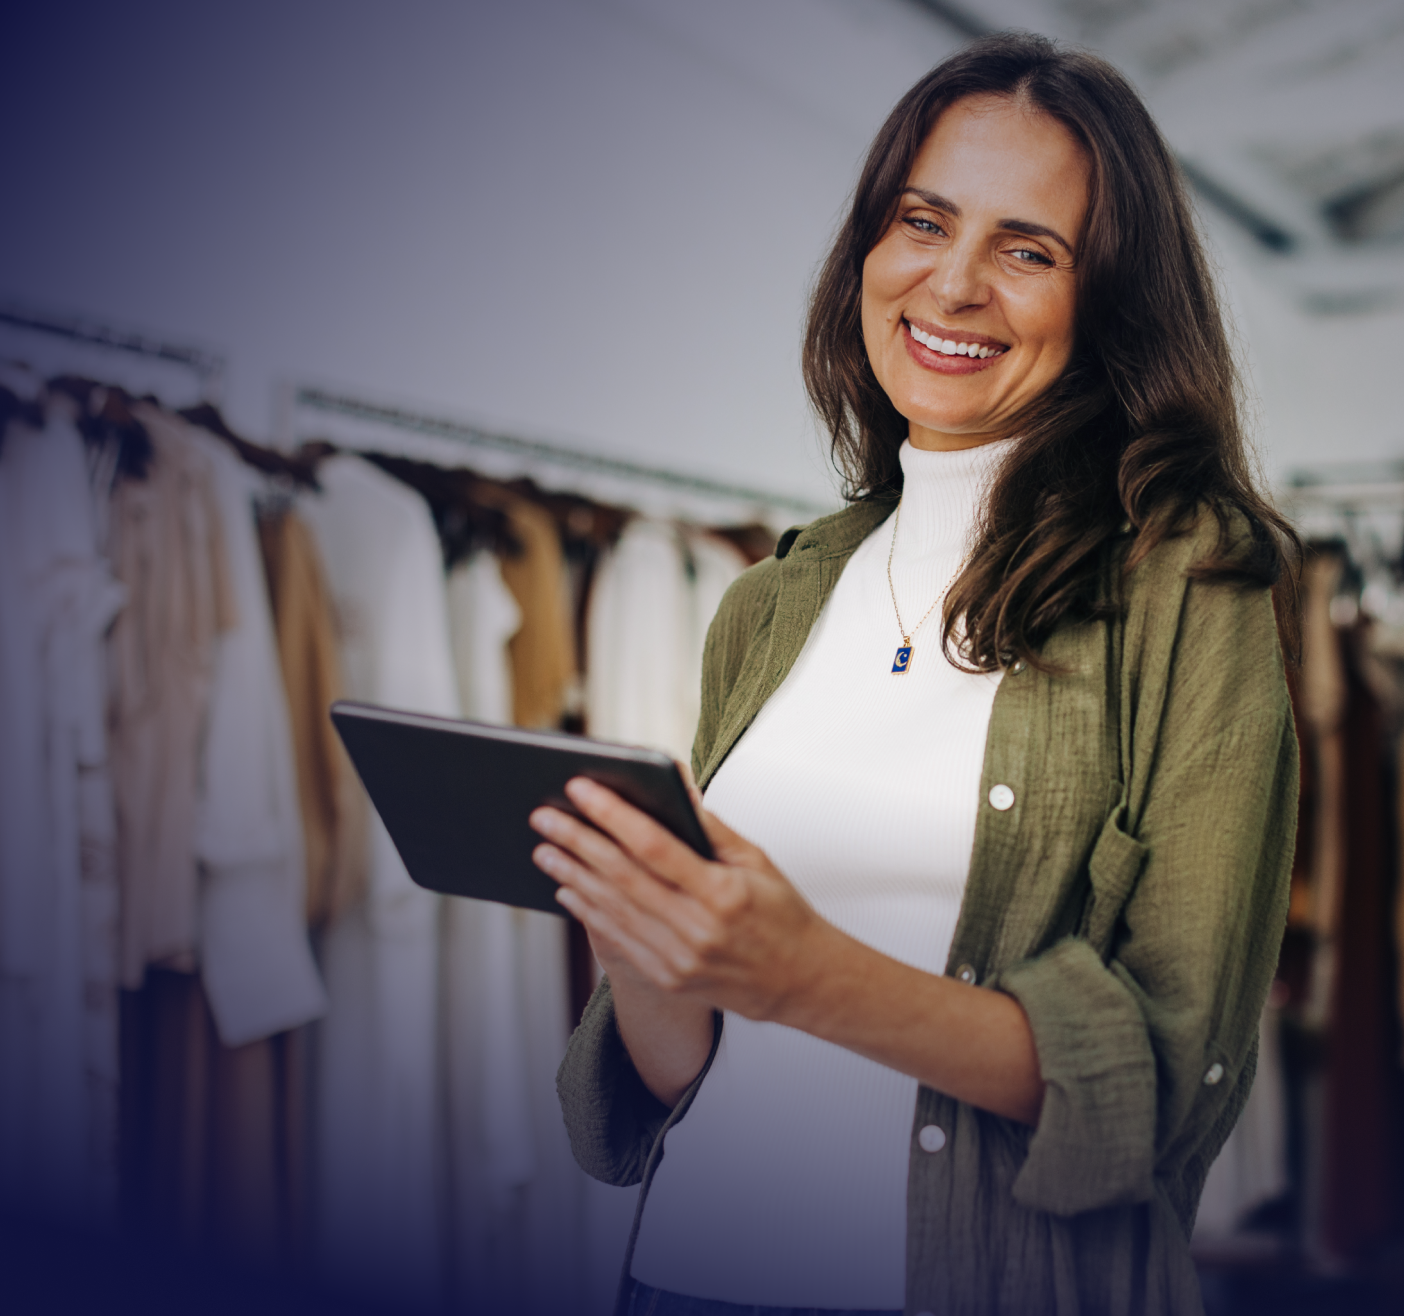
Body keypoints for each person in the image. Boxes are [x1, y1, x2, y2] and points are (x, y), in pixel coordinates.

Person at [531, 32, 1299, 1316]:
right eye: (922, 221)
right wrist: (648, 940)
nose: (951, 284)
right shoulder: (771, 600)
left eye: (1027, 248)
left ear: (1106, 299)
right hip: (685, 1276)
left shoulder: (1191, 581)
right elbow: (681, 1077)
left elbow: (1172, 1079)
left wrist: (810, 973)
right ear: (867, 251)